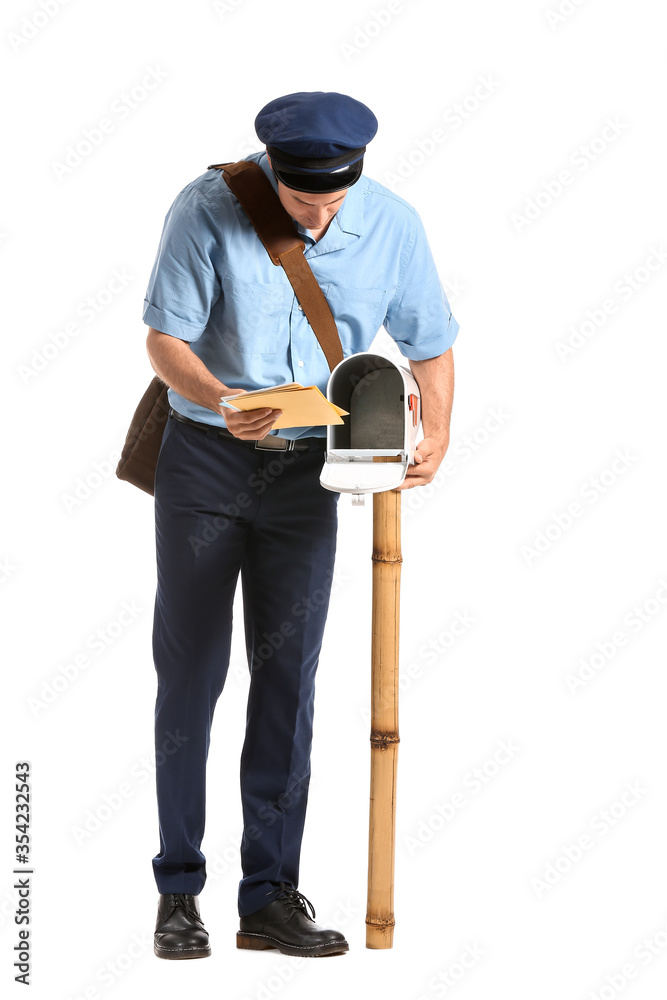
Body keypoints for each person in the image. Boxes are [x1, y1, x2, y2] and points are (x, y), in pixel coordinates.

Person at [143, 91, 458, 960]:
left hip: (308, 473)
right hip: (206, 456)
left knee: (288, 680)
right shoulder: (206, 208)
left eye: (333, 201)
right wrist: (221, 398)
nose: (317, 216)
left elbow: (428, 340)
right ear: (273, 174)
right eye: (300, 200)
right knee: (192, 676)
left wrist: (436, 430)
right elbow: (163, 338)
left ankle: (269, 897)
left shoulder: (392, 223)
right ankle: (178, 891)